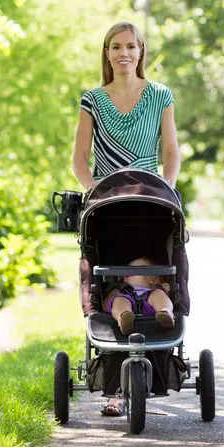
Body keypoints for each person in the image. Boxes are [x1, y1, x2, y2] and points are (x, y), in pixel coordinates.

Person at [72, 21, 181, 417]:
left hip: (151, 203)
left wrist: (166, 188)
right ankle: (114, 388)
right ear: (107, 53)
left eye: (131, 47)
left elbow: (171, 152)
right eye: (116, 47)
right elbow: (79, 161)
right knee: (110, 279)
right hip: (109, 205)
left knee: (157, 271)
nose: (124, 53)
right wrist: (94, 192)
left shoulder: (160, 95)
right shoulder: (92, 100)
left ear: (141, 52)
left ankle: (160, 349)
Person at [104, 257, 176, 335]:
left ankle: (165, 312)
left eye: (135, 269)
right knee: (119, 300)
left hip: (151, 306)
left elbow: (165, 298)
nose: (128, 271)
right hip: (127, 300)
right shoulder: (121, 289)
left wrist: (166, 291)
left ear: (152, 279)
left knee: (159, 294)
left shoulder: (155, 290)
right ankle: (123, 318)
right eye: (126, 269)